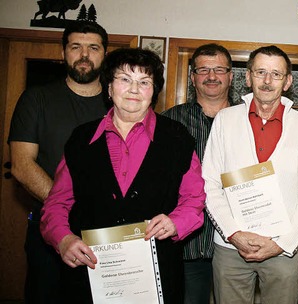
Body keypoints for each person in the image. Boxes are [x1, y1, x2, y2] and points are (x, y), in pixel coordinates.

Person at [40, 48, 206, 303]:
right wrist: (63, 239)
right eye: (125, 79)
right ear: (109, 87)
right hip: (91, 272)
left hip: (157, 274)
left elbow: (194, 198)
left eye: (144, 82)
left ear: (154, 91)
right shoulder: (81, 139)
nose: (134, 89)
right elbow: (57, 202)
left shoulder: (177, 137)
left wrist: (175, 222)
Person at [201, 45, 298, 304]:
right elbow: (209, 183)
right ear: (248, 77)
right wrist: (234, 234)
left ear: (288, 81)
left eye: (276, 74)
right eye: (260, 72)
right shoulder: (225, 119)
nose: (267, 81)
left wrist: (283, 243)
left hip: (283, 250)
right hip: (231, 247)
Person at [8, 21, 109, 304]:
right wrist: (69, 209)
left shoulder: (120, 103)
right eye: (76, 47)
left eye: (93, 47)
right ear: (64, 52)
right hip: (50, 229)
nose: (85, 55)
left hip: (106, 231)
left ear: (104, 54)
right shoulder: (36, 99)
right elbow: (22, 165)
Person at [162, 43, 235, 304]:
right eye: (203, 69)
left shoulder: (246, 120)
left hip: (236, 241)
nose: (211, 76)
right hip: (188, 246)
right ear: (192, 77)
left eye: (219, 69)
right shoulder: (169, 122)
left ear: (231, 76)